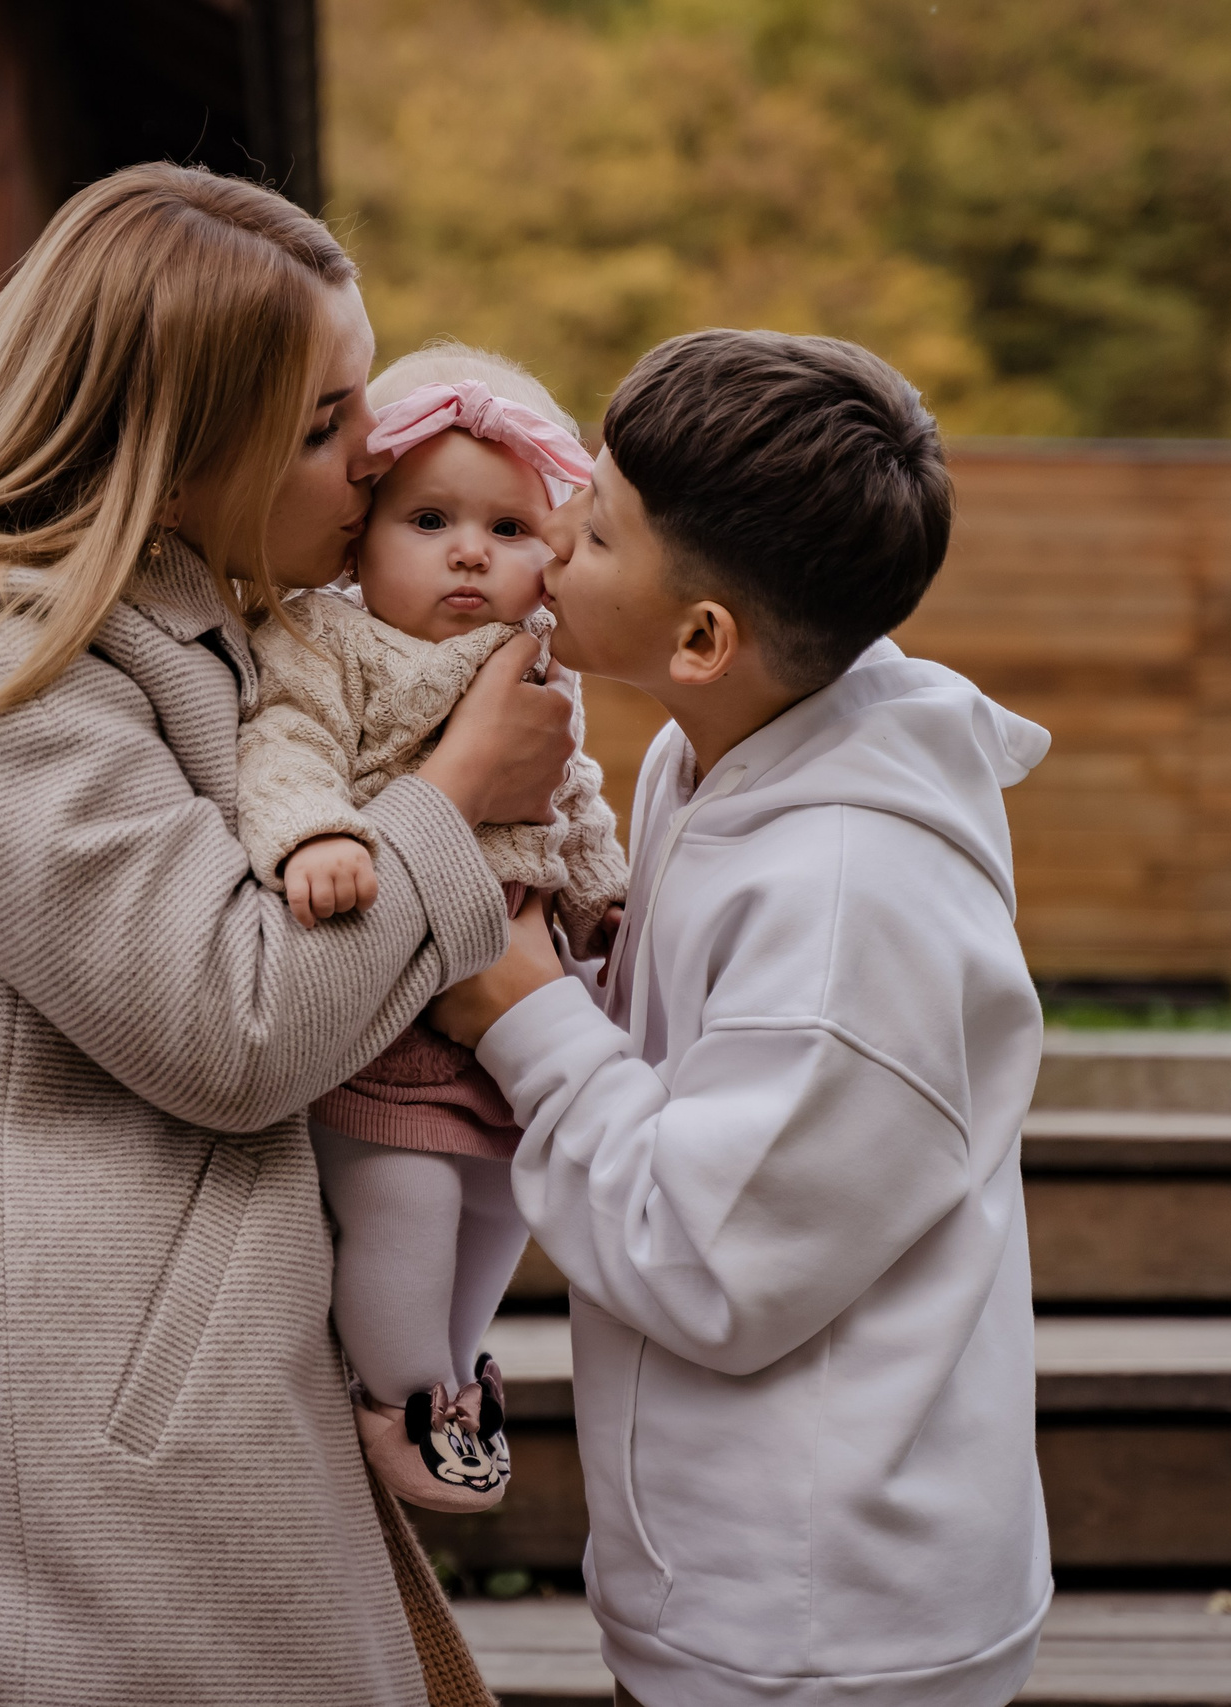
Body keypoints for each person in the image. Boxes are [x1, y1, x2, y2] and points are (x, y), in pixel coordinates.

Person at [0, 163, 574, 1707]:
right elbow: (227, 1020)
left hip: (183, 1374)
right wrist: (458, 797)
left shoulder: (167, 605)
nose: (365, 463)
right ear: (175, 444)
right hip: (98, 1459)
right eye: (323, 425)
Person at [432, 329, 1056, 1707]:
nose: (549, 533)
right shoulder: (701, 751)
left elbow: (709, 1255)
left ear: (704, 637)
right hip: (739, 1576)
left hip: (829, 1627)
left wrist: (525, 1016)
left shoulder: (851, 902)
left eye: (593, 532)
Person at [233, 344, 630, 1513]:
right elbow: (283, 746)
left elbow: (574, 791)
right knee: (403, 1197)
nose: (469, 551)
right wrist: (316, 840)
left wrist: (601, 889)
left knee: (506, 1193)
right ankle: (396, 1389)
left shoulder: (539, 663)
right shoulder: (327, 641)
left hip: (507, 1013)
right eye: (430, 519)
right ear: (360, 536)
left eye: (509, 530)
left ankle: (454, 1372)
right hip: (391, 989)